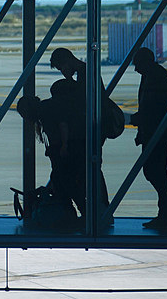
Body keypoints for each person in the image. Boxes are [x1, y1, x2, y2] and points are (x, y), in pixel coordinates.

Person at [48, 48, 111, 212]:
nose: (63, 72)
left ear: (67, 60)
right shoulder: (85, 72)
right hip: (94, 126)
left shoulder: (85, 73)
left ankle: (102, 208)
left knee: (91, 167)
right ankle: (100, 207)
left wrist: (68, 83)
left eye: (62, 67)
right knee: (90, 167)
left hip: (92, 127)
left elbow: (82, 101)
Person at [19, 79, 89, 219]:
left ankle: (77, 213)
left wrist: (64, 145)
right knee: (62, 181)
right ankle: (73, 213)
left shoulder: (45, 111)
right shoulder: (46, 108)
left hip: (66, 149)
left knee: (66, 182)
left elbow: (62, 125)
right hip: (66, 148)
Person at [129, 47, 167, 228]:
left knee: (154, 170)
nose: (135, 69)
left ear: (145, 62)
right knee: (155, 171)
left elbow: (153, 109)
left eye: (137, 65)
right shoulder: (153, 75)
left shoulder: (155, 77)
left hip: (159, 133)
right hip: (155, 132)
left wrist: (139, 121)